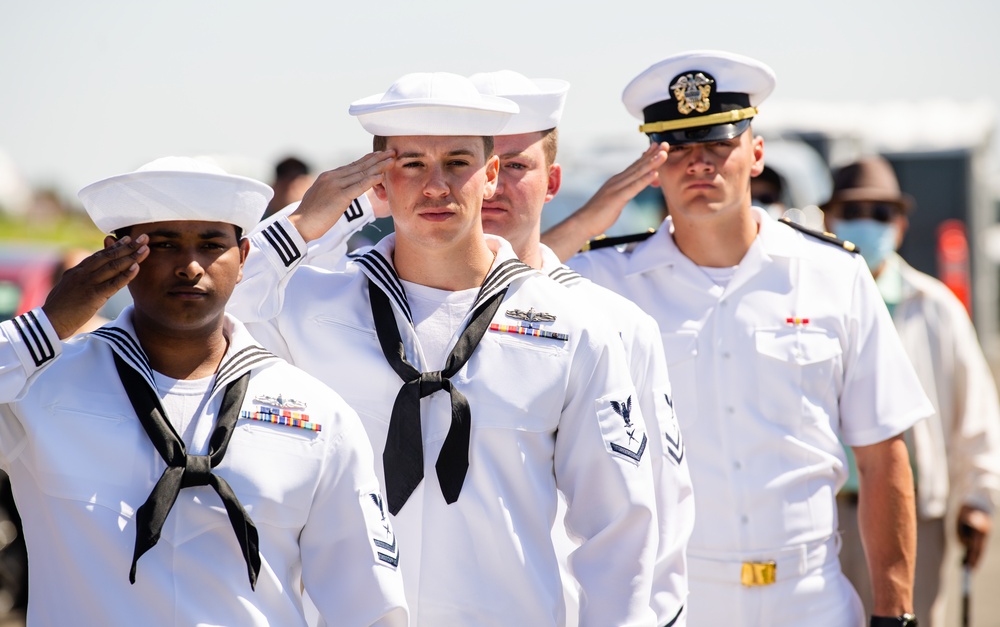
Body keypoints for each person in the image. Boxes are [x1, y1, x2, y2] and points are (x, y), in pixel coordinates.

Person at [229, 71, 660, 627]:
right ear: (377, 183)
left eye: (458, 163)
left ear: (491, 176)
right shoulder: (312, 309)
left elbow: (619, 525)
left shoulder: (570, 327)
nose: (436, 186)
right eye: (410, 165)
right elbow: (213, 311)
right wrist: (310, 222)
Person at [541, 50, 933, 627]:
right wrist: (594, 214)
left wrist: (894, 614)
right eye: (676, 150)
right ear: (653, 164)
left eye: (718, 144)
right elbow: (508, 288)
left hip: (811, 596)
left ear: (755, 153)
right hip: (677, 599)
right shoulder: (607, 281)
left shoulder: (832, 275)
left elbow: (882, 456)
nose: (700, 165)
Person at [0, 157, 407, 626]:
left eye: (212, 244)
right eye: (164, 244)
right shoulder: (40, 390)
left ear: (244, 258)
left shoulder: (318, 414)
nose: (190, 266)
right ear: (116, 254)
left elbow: (369, 607)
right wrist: (43, 330)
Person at [468, 69, 694, 627]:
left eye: (516, 166)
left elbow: (660, 525)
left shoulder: (616, 325)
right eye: (478, 167)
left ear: (553, 181)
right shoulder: (383, 315)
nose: (493, 186)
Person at [823, 156, 1000, 627]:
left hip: (914, 516)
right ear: (827, 219)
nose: (868, 225)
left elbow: (976, 411)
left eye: (880, 214)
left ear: (900, 226)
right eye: (854, 211)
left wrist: (979, 500)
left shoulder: (935, 307)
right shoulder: (808, 307)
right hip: (828, 517)